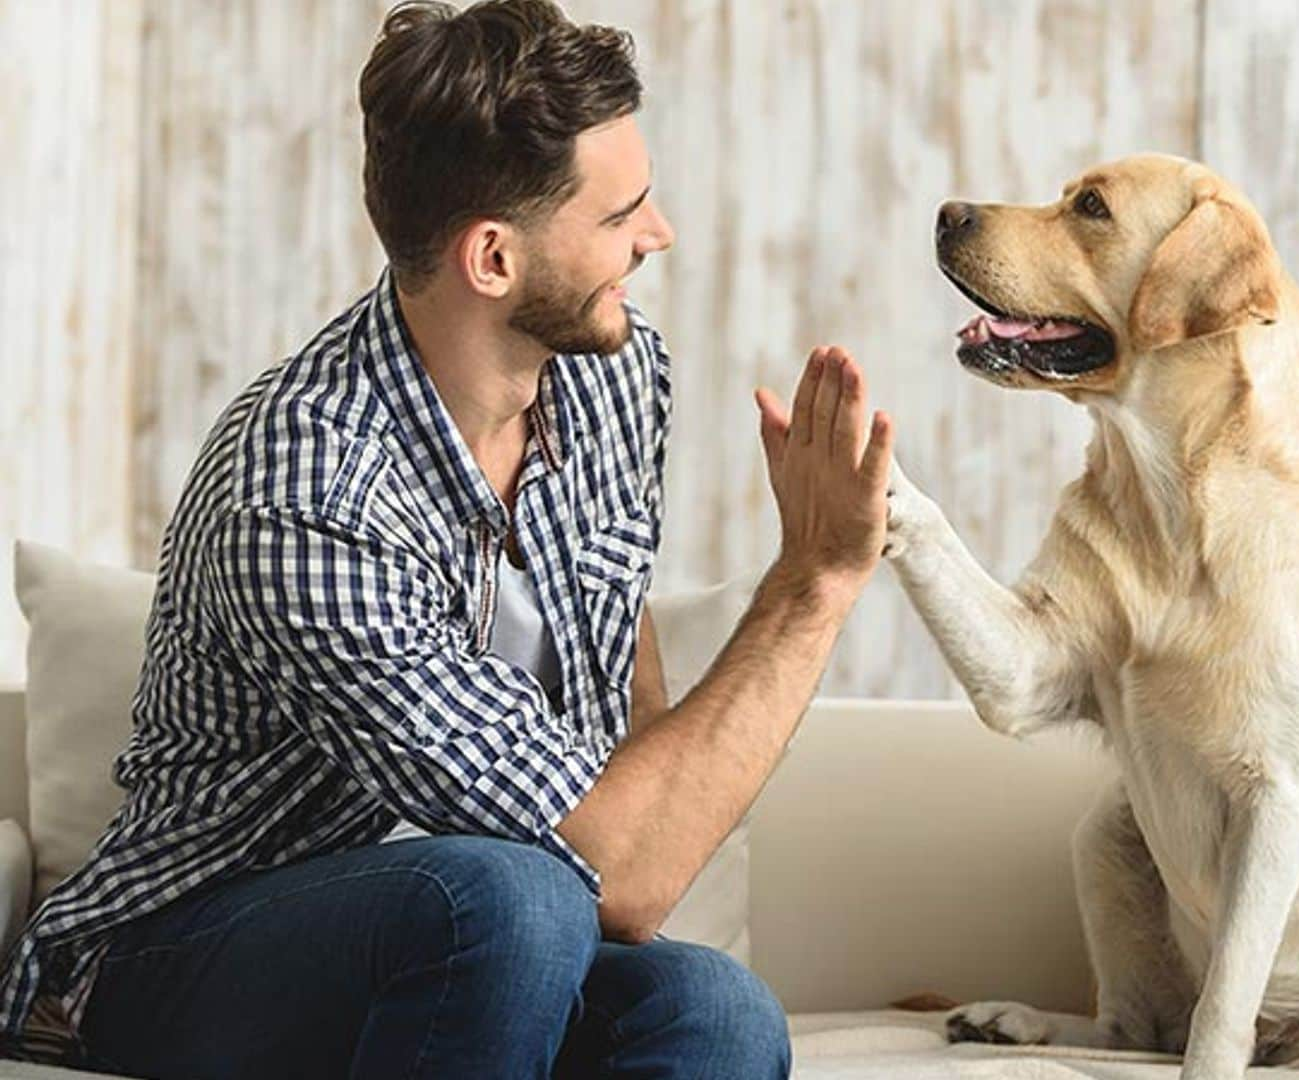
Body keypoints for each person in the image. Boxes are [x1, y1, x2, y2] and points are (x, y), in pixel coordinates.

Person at [0, 1, 893, 1075]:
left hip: (489, 941)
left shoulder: (615, 377)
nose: (658, 238)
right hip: (182, 948)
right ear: (492, 259)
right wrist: (816, 581)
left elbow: (624, 735)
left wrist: (631, 830)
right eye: (622, 217)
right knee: (508, 900)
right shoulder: (306, 488)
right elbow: (625, 866)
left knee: (715, 1011)